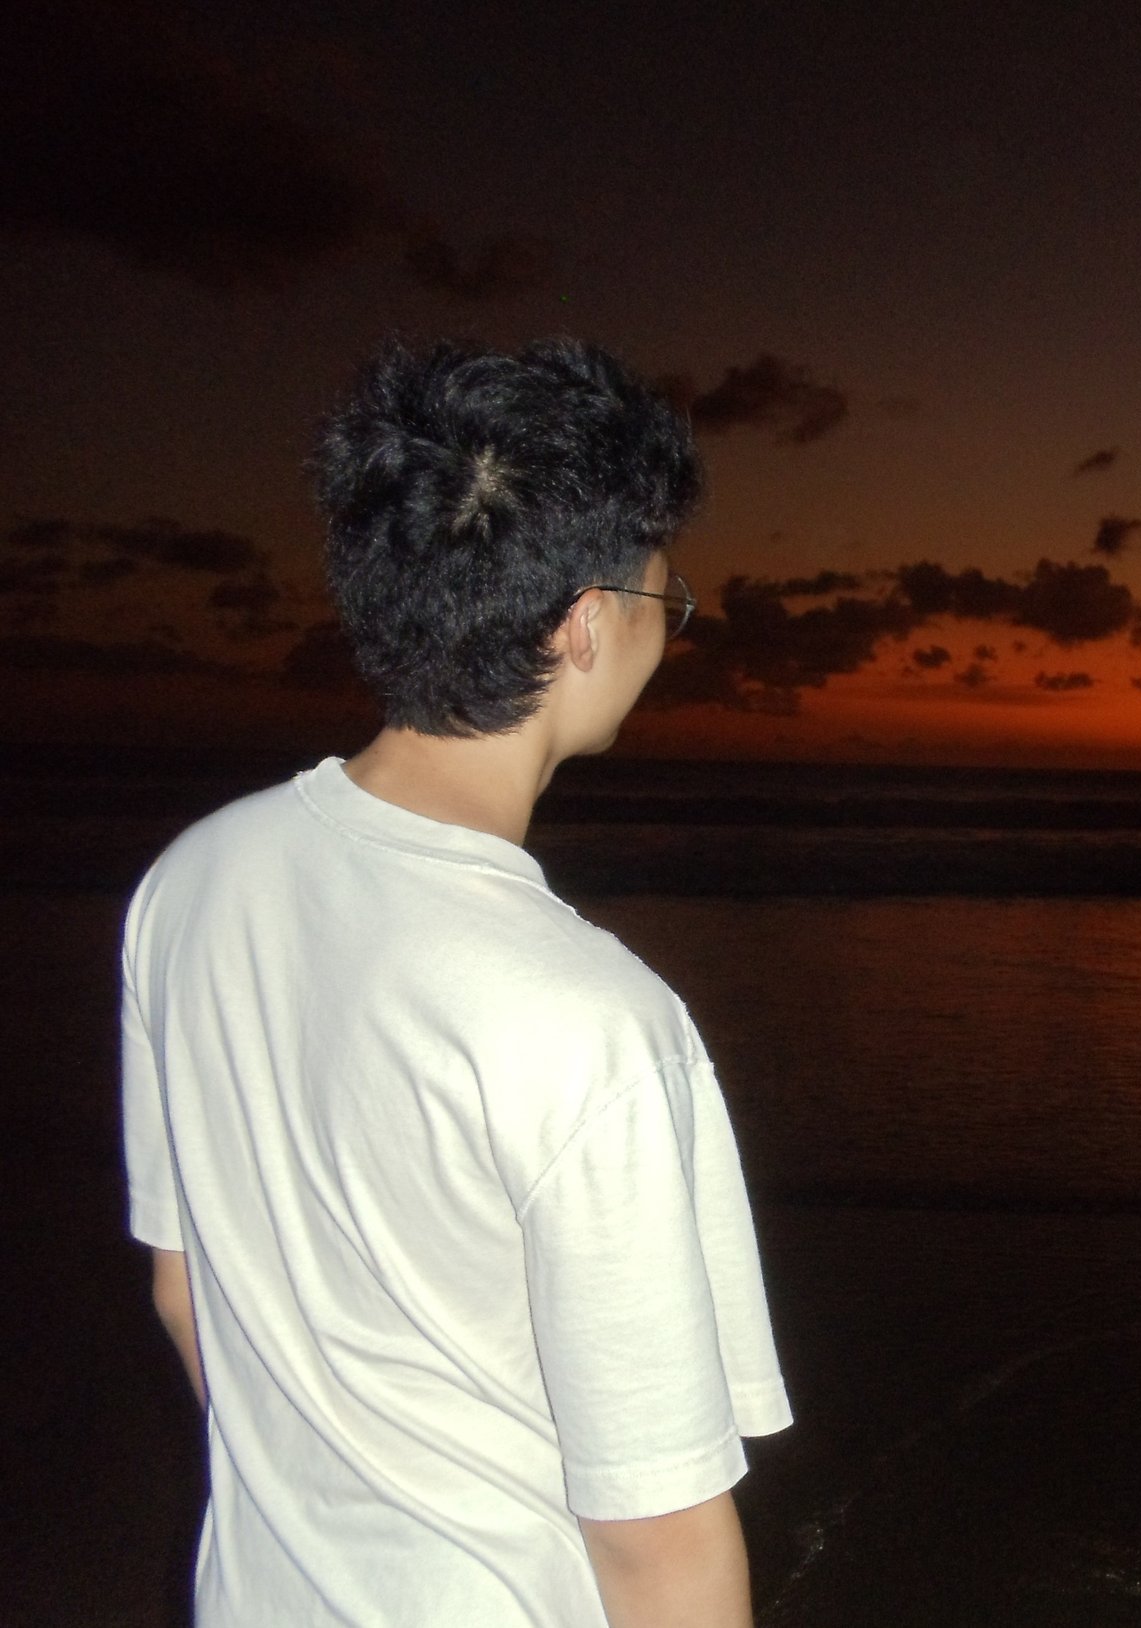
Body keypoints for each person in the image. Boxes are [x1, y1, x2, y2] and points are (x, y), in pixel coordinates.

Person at [121, 337, 792, 1627]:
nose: (667, 637)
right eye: (668, 603)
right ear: (588, 622)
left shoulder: (192, 879)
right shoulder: (593, 1025)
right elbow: (658, 1536)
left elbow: (181, 1286)